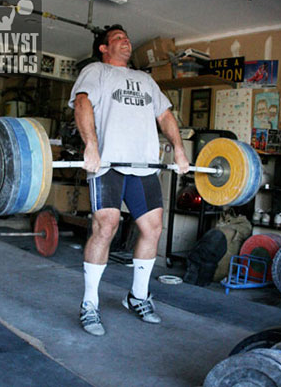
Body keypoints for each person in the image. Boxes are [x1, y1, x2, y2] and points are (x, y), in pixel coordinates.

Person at [68, 25, 190, 336]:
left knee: (153, 228)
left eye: (127, 38)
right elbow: (82, 103)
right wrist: (91, 145)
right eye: (119, 38)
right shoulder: (97, 71)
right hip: (108, 163)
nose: (127, 41)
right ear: (104, 48)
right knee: (106, 225)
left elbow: (164, 115)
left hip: (144, 166)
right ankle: (89, 303)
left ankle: (137, 296)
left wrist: (178, 149)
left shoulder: (146, 80)